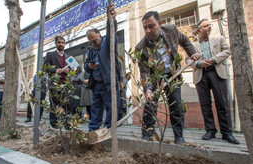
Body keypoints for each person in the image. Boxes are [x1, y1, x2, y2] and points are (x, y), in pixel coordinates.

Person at [135, 11, 201, 144]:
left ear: (159, 24)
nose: (147, 31)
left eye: (151, 26)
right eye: (145, 27)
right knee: (150, 105)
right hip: (154, 76)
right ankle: (147, 133)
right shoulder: (140, 47)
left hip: (173, 73)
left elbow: (184, 40)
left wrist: (192, 52)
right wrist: (148, 89)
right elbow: (144, 71)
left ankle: (179, 136)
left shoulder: (171, 30)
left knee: (176, 104)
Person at [186, 19, 239, 144]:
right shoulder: (193, 46)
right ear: (199, 30)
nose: (209, 27)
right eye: (206, 26)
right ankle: (210, 131)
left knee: (222, 103)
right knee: (205, 105)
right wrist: (199, 63)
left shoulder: (219, 39)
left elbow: (227, 51)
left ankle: (227, 133)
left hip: (217, 73)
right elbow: (188, 61)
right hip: (201, 75)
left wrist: (214, 59)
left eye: (210, 25)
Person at [84, 4, 121, 131]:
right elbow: (86, 66)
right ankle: (93, 131)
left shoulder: (107, 43)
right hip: (97, 85)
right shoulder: (91, 50)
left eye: (94, 41)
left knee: (111, 108)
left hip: (109, 83)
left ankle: (108, 131)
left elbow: (111, 32)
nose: (93, 44)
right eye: (90, 42)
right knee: (95, 108)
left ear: (100, 36)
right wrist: (89, 66)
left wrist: (111, 19)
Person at [43, 36, 71, 128]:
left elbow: (76, 69)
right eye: (59, 42)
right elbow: (45, 68)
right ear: (55, 43)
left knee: (66, 104)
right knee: (54, 105)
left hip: (66, 84)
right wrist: (55, 70)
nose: (61, 44)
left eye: (62, 42)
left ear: (65, 44)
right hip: (55, 84)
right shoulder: (50, 55)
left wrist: (69, 70)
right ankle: (54, 124)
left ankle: (67, 124)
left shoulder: (68, 57)